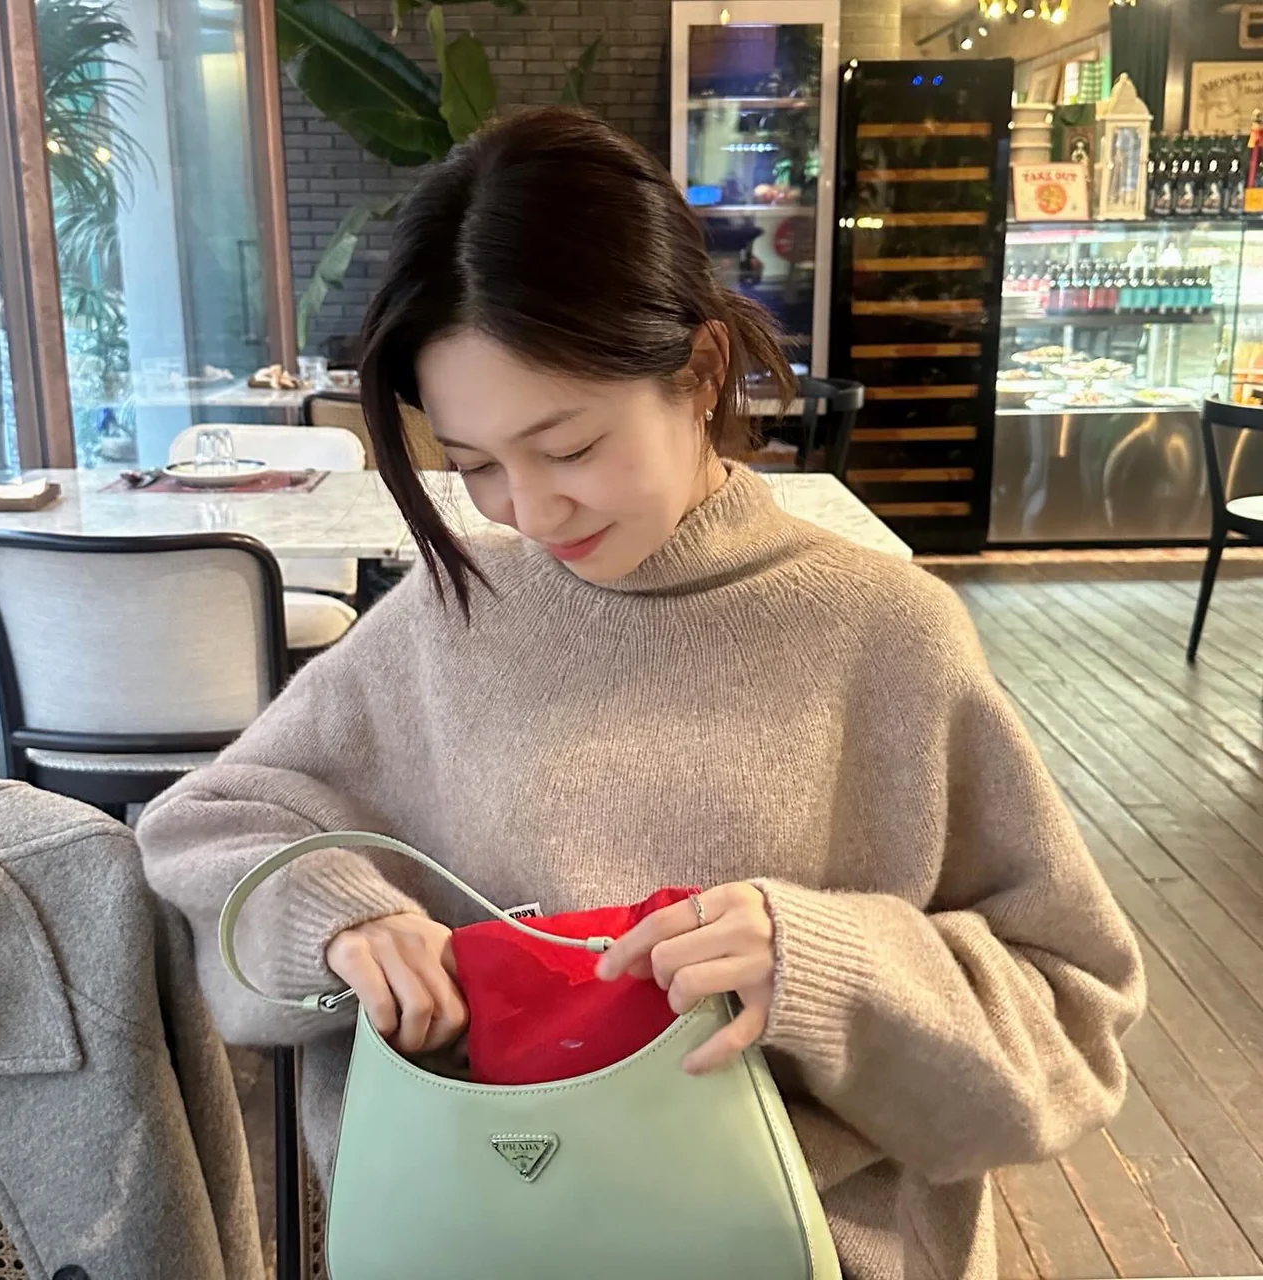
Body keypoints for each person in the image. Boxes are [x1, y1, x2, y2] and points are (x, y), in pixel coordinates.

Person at [138, 107, 1144, 1280]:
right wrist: (339, 915)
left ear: (700, 369)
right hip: (478, 1239)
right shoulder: (453, 616)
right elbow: (208, 824)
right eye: (474, 464)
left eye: (568, 446)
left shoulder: (884, 636)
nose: (528, 508)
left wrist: (822, 966)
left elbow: (1069, 1021)